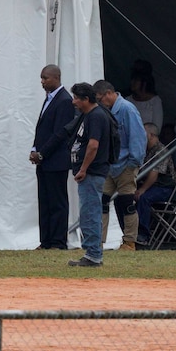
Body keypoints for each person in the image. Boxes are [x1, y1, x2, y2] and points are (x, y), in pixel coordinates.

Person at [93, 80, 146, 251]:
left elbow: (138, 137)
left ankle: (130, 241)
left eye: (101, 98)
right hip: (110, 164)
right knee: (102, 201)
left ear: (109, 93)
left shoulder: (127, 109)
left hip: (126, 164)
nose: (100, 102)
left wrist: (133, 163)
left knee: (127, 203)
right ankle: (98, 241)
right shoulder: (105, 110)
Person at [29, 65, 76, 250]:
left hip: (56, 161)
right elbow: (42, 128)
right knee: (45, 201)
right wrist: (34, 148)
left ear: (56, 77)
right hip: (44, 161)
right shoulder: (49, 99)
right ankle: (46, 240)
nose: (42, 81)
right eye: (41, 78)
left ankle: (58, 241)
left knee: (57, 202)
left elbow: (60, 133)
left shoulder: (64, 100)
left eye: (45, 78)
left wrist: (42, 153)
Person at [66, 82, 112, 268]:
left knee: (90, 212)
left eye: (77, 98)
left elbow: (93, 145)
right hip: (91, 173)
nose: (74, 101)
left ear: (86, 99)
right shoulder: (91, 115)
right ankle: (92, 252)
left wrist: (83, 168)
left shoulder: (96, 116)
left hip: (92, 173)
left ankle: (93, 255)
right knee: (88, 212)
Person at [134, 123, 176, 245]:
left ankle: (143, 235)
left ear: (151, 135)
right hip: (152, 185)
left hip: (163, 187)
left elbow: (154, 175)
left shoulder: (161, 151)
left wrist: (142, 189)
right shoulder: (147, 150)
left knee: (143, 198)